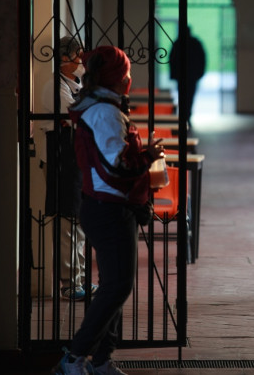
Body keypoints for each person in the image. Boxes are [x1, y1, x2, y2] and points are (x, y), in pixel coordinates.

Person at [54, 45, 165, 375]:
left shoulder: (103, 107)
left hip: (108, 206)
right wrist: (147, 158)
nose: (131, 78)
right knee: (117, 287)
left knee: (114, 286)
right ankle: (75, 357)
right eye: (127, 73)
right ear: (119, 78)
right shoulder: (104, 112)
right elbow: (114, 166)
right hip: (109, 208)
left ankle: (102, 360)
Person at [39, 35, 97, 301]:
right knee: (66, 224)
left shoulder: (76, 83)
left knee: (80, 223)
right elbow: (76, 118)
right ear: (63, 59)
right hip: (63, 160)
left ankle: (81, 278)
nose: (81, 61)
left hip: (78, 161)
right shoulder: (54, 86)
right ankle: (69, 284)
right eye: (77, 56)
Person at [169, 24, 206, 127]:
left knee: (182, 97)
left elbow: (172, 60)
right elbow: (202, 59)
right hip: (192, 76)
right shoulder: (195, 43)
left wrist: (174, 75)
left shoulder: (177, 43)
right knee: (190, 97)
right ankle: (187, 116)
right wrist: (200, 73)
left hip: (182, 77)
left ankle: (184, 116)